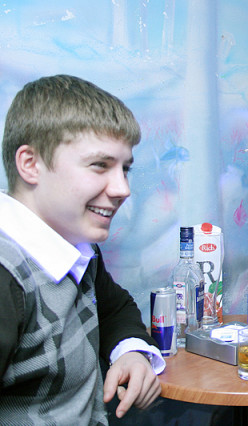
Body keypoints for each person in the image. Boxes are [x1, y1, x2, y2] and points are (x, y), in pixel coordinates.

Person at [0, 75, 166, 425]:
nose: (122, 189)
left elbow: (113, 308)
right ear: (30, 164)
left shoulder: (74, 243)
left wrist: (131, 352)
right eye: (100, 165)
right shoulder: (6, 276)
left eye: (125, 169)